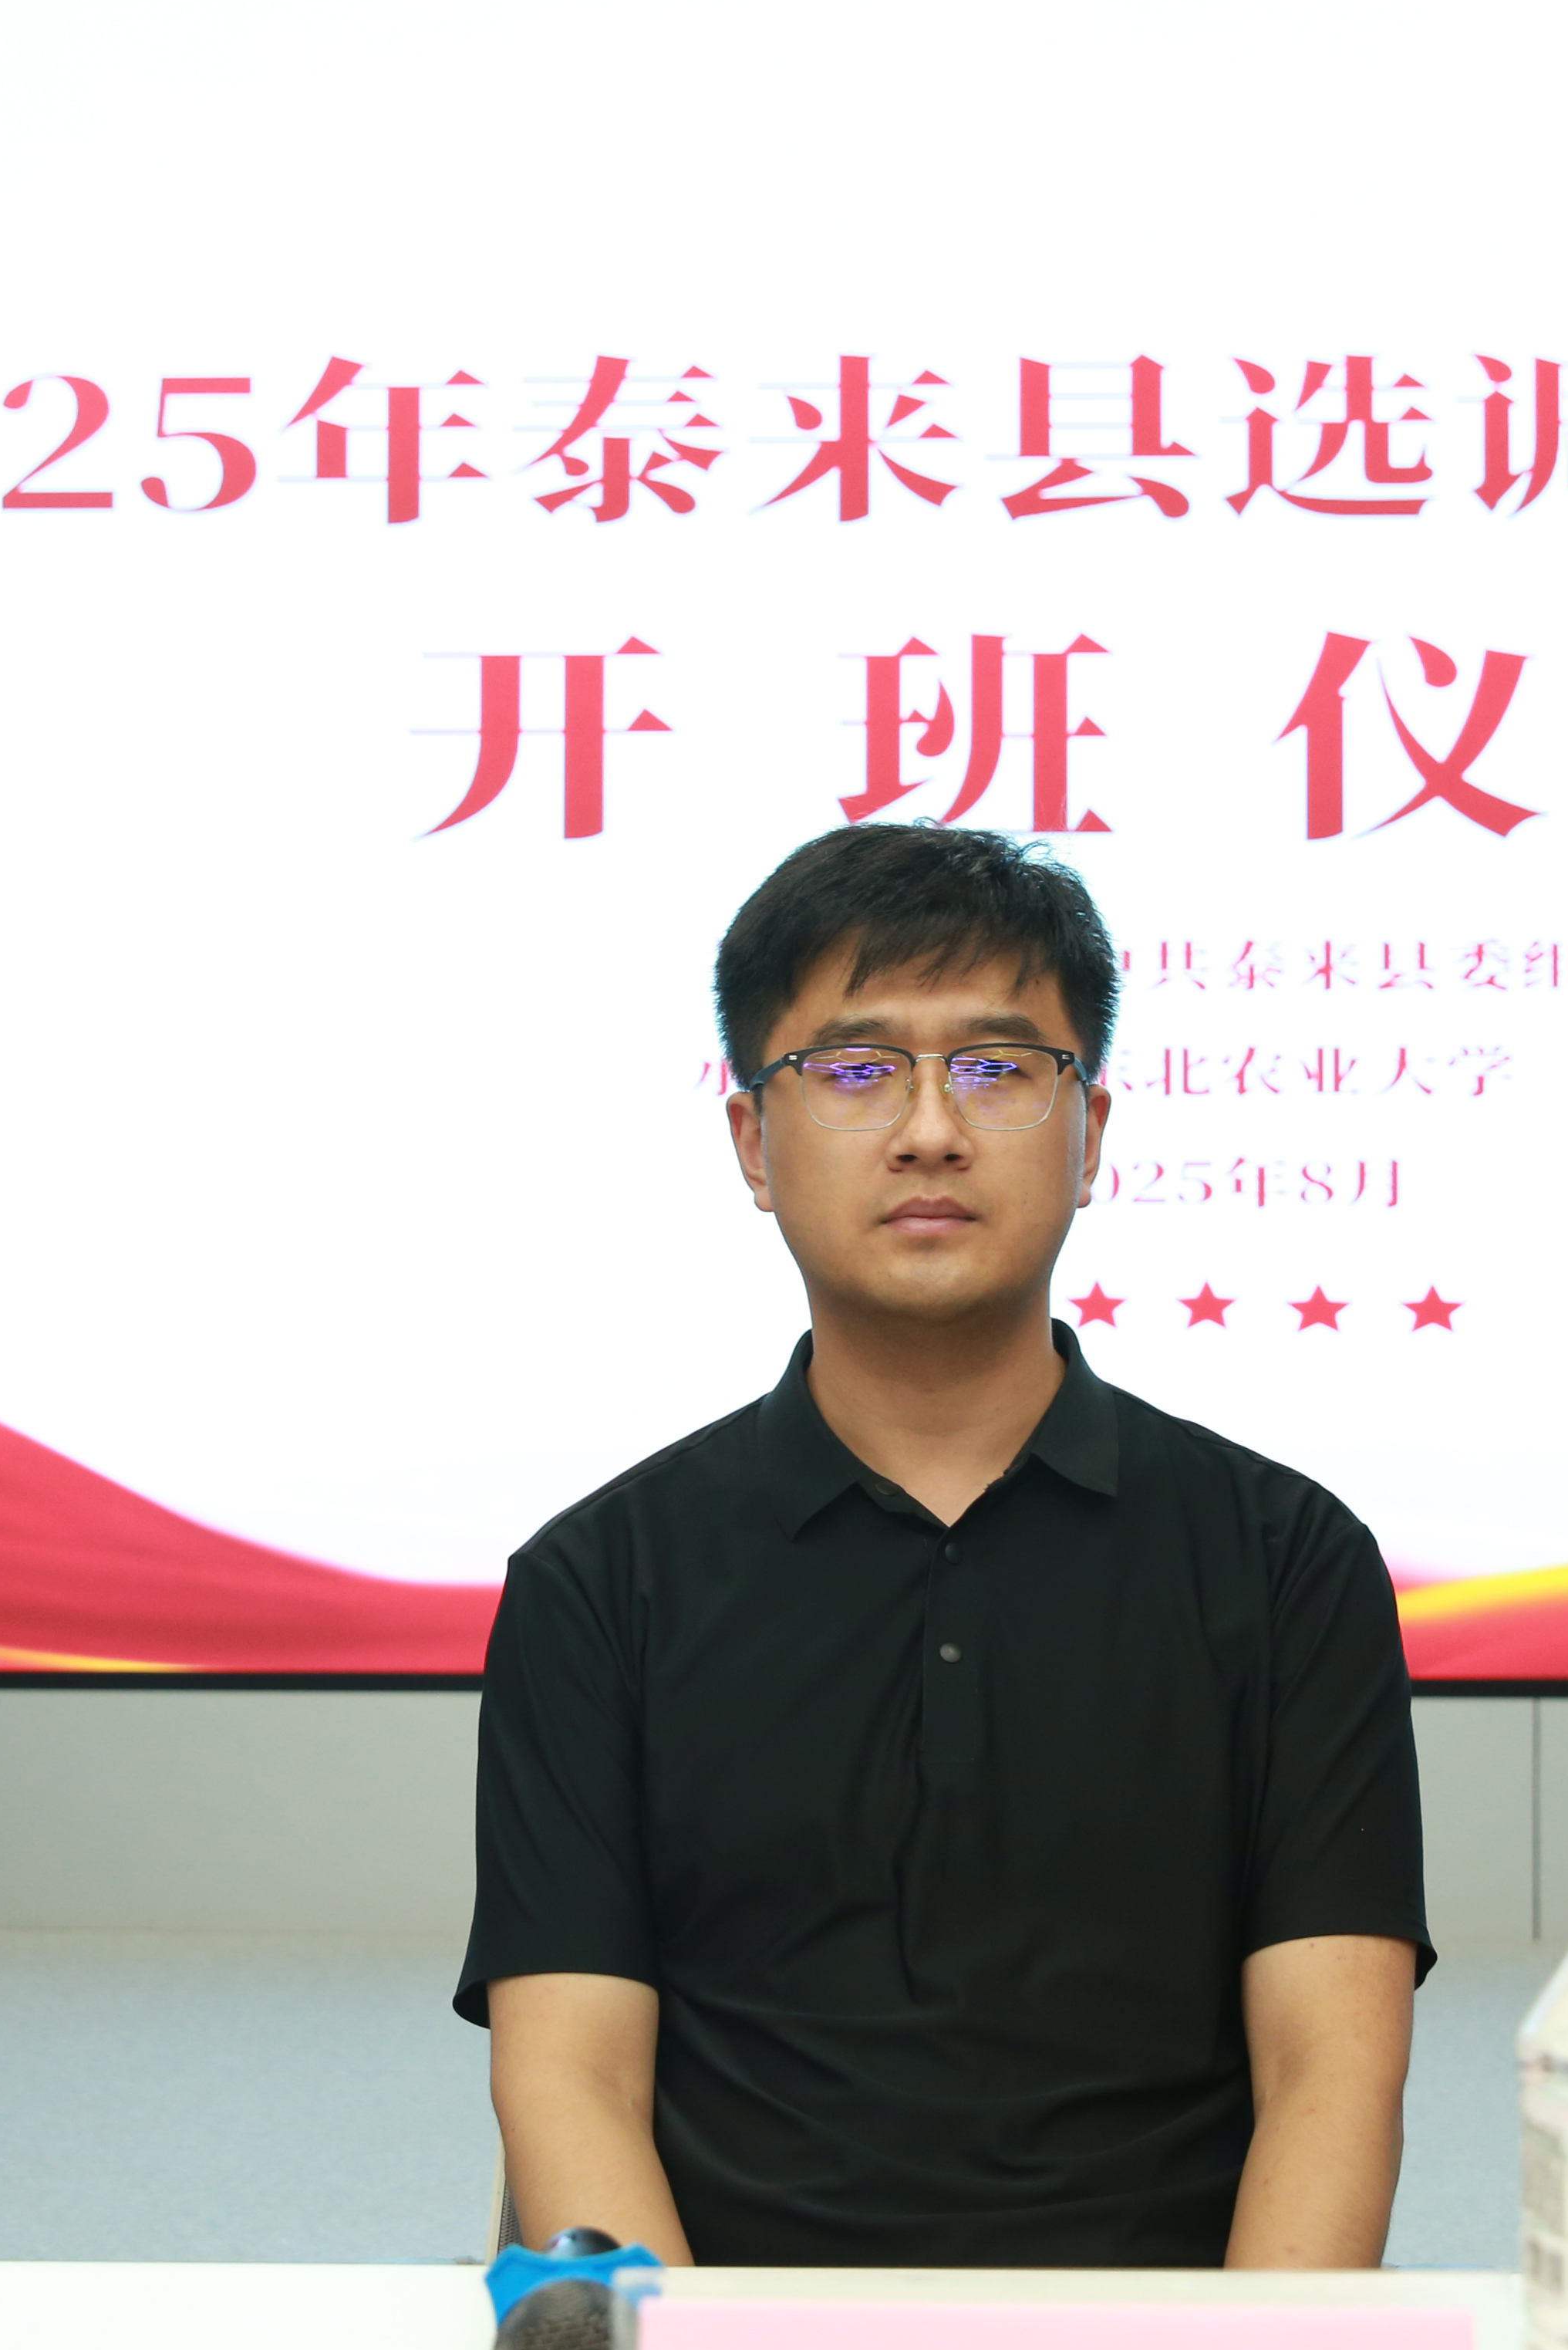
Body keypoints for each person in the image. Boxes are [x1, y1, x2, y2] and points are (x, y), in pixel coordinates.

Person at [453, 822, 1428, 2270]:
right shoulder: (599, 1585)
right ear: (753, 1143)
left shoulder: (1286, 1563)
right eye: (854, 1070)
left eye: (996, 1068)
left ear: (1090, 1135)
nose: (928, 1130)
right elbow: (570, 2077)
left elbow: (1330, 2072)